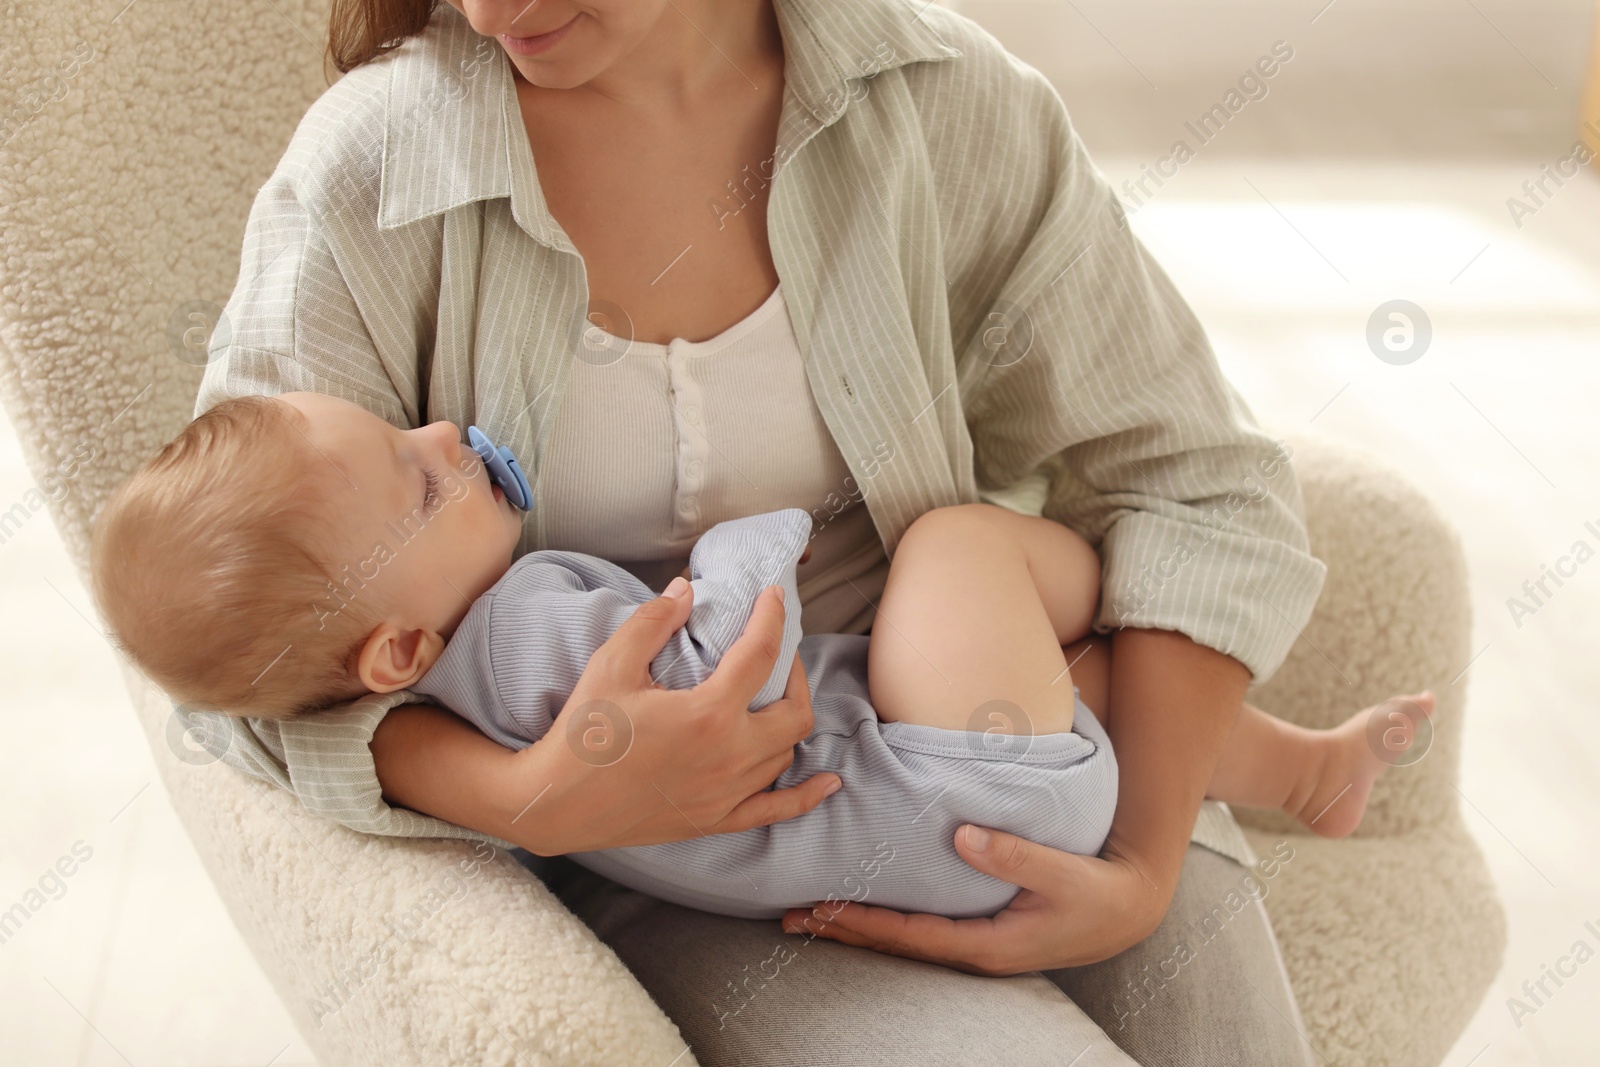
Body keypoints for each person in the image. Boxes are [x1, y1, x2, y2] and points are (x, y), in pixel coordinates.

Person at [184, 0, 1351, 1062]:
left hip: (1017, 735)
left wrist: (1142, 862)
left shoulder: (940, 101)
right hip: (695, 862)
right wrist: (528, 791)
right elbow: (232, 657)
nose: (491, 11)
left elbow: (1191, 478)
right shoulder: (377, 171)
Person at [96, 389, 1428, 919]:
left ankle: (1304, 766)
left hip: (950, 827)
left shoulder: (472, 667)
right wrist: (748, 545)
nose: (444, 428)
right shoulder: (518, 638)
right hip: (951, 781)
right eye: (411, 472)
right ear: (394, 643)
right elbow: (735, 655)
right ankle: (1095, 594)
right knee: (968, 544)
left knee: (1078, 677)